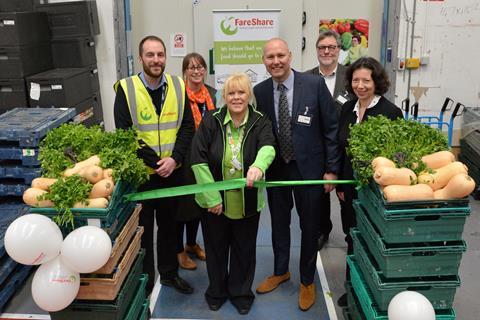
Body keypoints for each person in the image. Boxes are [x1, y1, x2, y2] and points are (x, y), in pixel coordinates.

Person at [254, 38, 340, 311]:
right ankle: (281, 271)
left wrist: (331, 170)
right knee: (279, 223)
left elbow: (331, 129)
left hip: (310, 170)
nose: (276, 61)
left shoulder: (314, 85)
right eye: (270, 57)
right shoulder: (261, 91)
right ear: (264, 61)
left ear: (290, 56)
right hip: (277, 170)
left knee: (309, 226)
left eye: (280, 55)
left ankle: (306, 280)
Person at [113, 35, 195, 295]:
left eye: (160, 54)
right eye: (150, 55)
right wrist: (158, 162)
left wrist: (175, 159)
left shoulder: (178, 85)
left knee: (171, 229)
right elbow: (125, 132)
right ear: (141, 58)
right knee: (144, 232)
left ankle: (170, 274)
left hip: (173, 172)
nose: (156, 60)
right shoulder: (126, 89)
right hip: (142, 176)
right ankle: (146, 281)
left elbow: (187, 127)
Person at [190, 73, 275, 315]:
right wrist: (212, 197)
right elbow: (198, 158)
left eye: (241, 92)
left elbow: (268, 146)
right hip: (214, 203)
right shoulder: (211, 120)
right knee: (216, 249)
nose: (236, 97)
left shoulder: (260, 121)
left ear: (249, 95)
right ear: (224, 96)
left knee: (244, 249)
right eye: (231, 93)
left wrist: (258, 166)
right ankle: (216, 291)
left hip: (247, 202)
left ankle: (240, 292)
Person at [336, 57, 403, 306]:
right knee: (351, 236)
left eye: (366, 80)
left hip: (375, 191)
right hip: (350, 189)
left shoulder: (390, 112)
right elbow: (343, 149)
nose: (360, 85)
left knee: (372, 241)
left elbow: (398, 156)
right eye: (356, 80)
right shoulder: (347, 108)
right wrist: (342, 185)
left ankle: (373, 291)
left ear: (377, 82)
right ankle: (352, 286)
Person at [305, 30, 353, 251]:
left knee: (346, 195)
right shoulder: (306, 78)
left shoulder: (351, 77)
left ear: (338, 50)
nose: (327, 51)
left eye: (331, 47)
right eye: (322, 47)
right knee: (320, 195)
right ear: (316, 51)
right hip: (317, 148)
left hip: (345, 148)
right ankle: (322, 230)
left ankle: (350, 234)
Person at [175, 52, 216, 270]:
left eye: (200, 67)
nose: (196, 71)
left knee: (199, 204)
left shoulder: (213, 94)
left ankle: (191, 243)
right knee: (181, 208)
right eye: (191, 67)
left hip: (205, 159)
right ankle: (179, 251)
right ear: (185, 71)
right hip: (183, 160)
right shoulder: (178, 94)